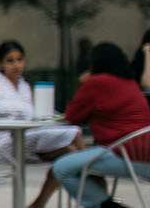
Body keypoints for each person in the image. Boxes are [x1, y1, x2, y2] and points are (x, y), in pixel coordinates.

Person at [0, 40, 82, 208]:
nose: (16, 65)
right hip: (0, 143)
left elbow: (35, 116)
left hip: (26, 140)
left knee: (70, 153)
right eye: (10, 61)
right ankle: (96, 189)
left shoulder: (25, 86)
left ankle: (39, 203)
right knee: (75, 134)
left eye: (19, 60)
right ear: (1, 63)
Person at [51, 43, 150, 208]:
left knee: (61, 168)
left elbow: (72, 116)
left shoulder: (96, 82)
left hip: (124, 156)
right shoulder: (130, 83)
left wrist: (83, 83)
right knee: (83, 166)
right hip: (143, 157)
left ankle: (107, 206)